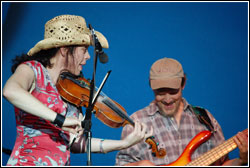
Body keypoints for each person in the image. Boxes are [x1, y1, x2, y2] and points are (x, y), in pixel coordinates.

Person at [3, 14, 152, 166]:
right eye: (84, 49)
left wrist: (123, 144)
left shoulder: (70, 92)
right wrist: (60, 120)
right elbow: (11, 91)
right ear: (65, 49)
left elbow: (75, 143)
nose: (88, 56)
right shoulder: (32, 70)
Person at [115, 57, 248, 166]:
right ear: (151, 85)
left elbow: (222, 163)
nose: (167, 99)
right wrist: (138, 165)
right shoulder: (136, 122)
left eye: (173, 92)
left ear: (183, 83)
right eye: (160, 92)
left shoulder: (205, 118)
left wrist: (242, 160)